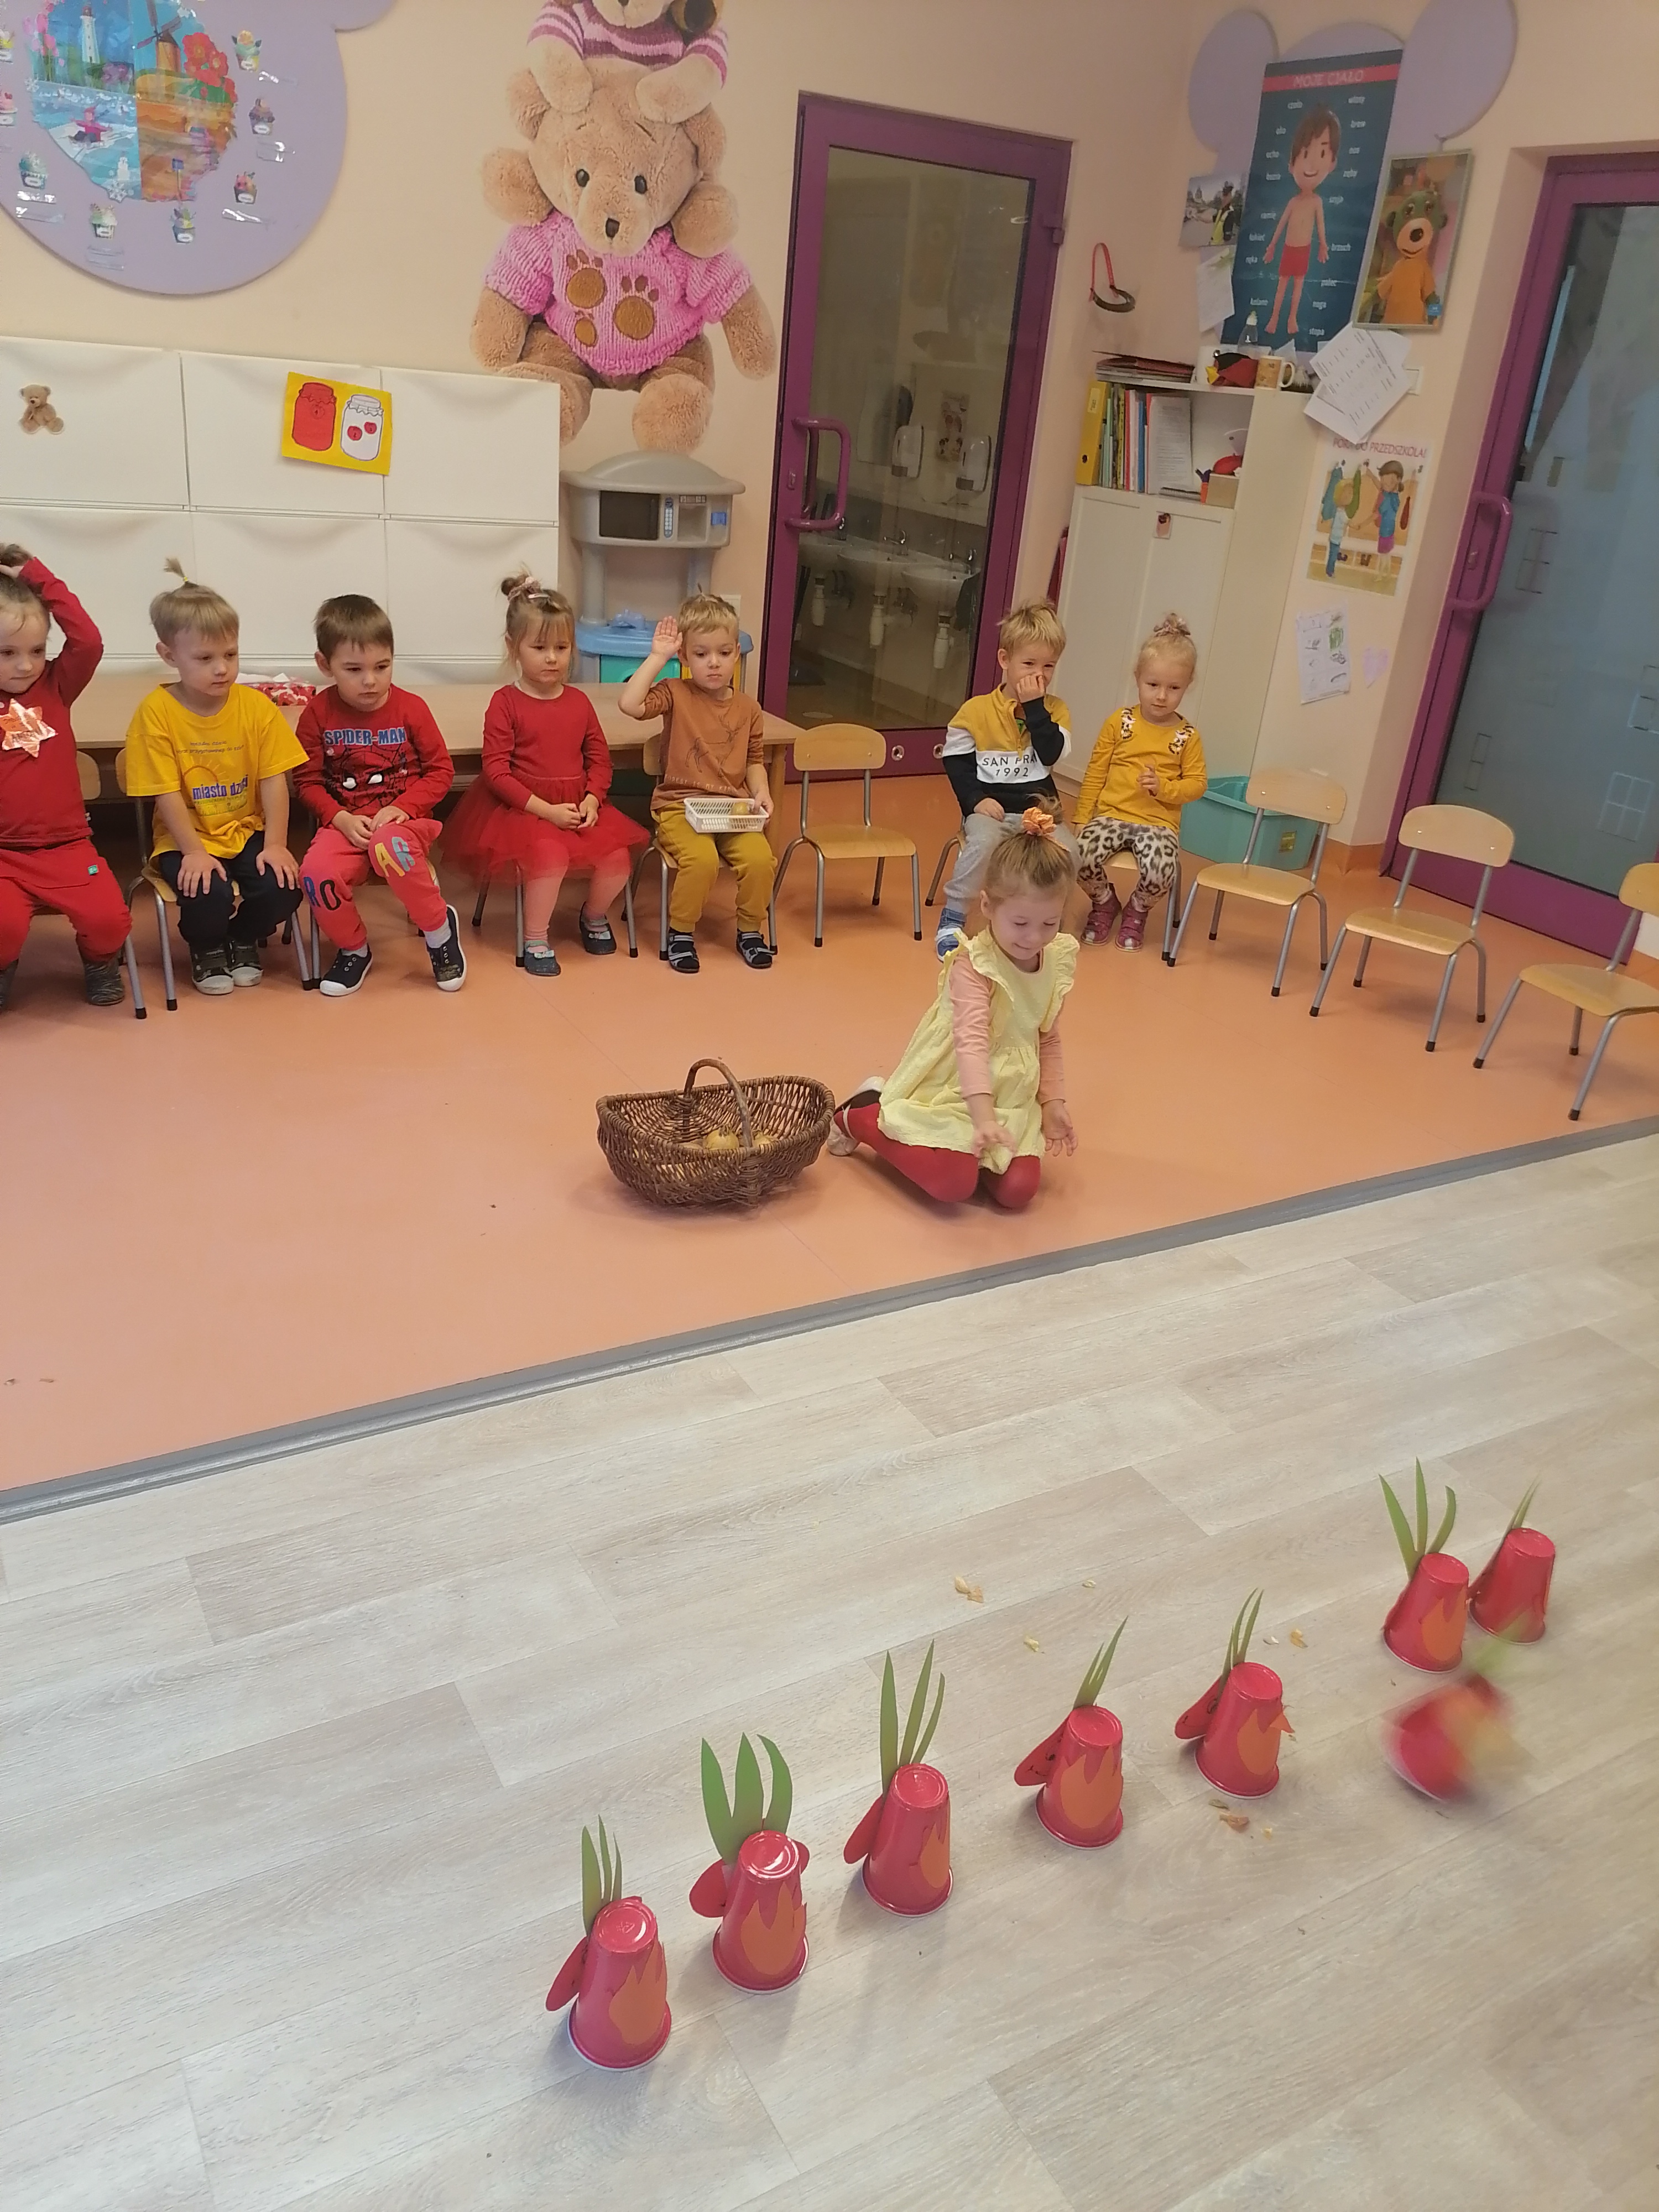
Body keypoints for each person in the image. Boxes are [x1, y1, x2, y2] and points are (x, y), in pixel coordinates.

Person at [828, 811, 1077, 1213]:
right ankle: (860, 1114)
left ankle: (976, 1150)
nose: (1034, 938)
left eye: (1050, 923)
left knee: (1018, 1192)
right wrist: (982, 1117)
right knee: (953, 1184)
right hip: (956, 1085)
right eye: (1020, 923)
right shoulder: (975, 965)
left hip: (1011, 1093)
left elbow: (1047, 1036)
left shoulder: (1055, 959)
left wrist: (1053, 1103)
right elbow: (971, 1044)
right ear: (988, 906)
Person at [441, 576, 646, 975]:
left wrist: (593, 799)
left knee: (617, 859)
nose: (552, 658)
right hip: (523, 809)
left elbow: (600, 760)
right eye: (539, 648)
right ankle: (535, 937)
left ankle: (593, 916)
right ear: (513, 647)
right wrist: (547, 811)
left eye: (562, 648)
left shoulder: (579, 701)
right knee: (550, 858)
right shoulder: (505, 703)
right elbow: (496, 772)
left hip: (578, 804)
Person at [123, 561, 306, 997]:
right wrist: (193, 852)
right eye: (205, 659)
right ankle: (206, 946)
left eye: (231, 655)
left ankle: (241, 936)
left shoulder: (257, 708)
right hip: (185, 838)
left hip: (246, 831)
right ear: (169, 655)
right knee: (207, 893)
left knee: (283, 888)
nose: (222, 669)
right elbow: (166, 792)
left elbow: (274, 780)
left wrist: (276, 843)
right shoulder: (155, 713)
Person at [294, 593, 465, 996]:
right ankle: (354, 949)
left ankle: (439, 932)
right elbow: (307, 782)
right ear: (325, 665)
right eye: (354, 670)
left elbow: (442, 771)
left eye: (382, 667)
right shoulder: (317, 713)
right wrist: (339, 818)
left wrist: (403, 808)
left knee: (389, 846)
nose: (370, 681)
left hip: (404, 823)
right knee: (315, 874)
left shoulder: (412, 708)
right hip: (345, 825)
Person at [0, 545, 132, 1011]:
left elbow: (88, 641)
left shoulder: (56, 685)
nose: (25, 665)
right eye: (7, 653)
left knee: (110, 921)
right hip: (5, 853)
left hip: (67, 847)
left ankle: (99, 962)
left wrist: (37, 577)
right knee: (3, 927)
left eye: (37, 651)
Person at [617, 593, 774, 975]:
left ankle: (750, 931)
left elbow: (754, 760)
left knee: (760, 859)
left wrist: (762, 792)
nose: (714, 663)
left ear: (737, 653)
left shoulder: (749, 709)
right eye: (701, 654)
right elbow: (630, 705)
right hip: (679, 806)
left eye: (724, 653)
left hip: (731, 809)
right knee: (701, 860)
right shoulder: (676, 692)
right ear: (685, 657)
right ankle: (681, 932)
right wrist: (658, 657)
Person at [934, 601, 1078, 959]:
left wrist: (1035, 708)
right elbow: (956, 763)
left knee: (1070, 852)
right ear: (1004, 660)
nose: (1039, 674)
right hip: (990, 808)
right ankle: (953, 917)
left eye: (1049, 666)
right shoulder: (975, 711)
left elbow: (1050, 754)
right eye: (1029, 664)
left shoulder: (1056, 710)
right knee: (983, 843)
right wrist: (975, 801)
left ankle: (1048, 920)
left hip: (1040, 812)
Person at [1072, 613, 1208, 952]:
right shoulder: (1119, 722)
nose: (1162, 696)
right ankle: (1105, 903)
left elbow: (1198, 784)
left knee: (1162, 871)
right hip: (1111, 814)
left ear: (1187, 686)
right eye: (1153, 685)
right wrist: (1082, 816)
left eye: (1174, 688)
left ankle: (1137, 909)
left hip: (1158, 823)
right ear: (1137, 678)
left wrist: (1165, 788)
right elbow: (1096, 772)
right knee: (1077, 856)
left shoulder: (1187, 736)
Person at [1264, 105, 1339, 338]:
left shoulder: (1317, 202)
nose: (1311, 165)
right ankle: (1274, 317)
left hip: (1303, 250)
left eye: (1322, 154)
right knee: (1281, 286)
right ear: (1291, 164)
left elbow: (1320, 226)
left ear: (1332, 163)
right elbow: (1281, 224)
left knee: (1298, 287)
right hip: (1289, 248)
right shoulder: (1293, 202)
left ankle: (1292, 319)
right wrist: (1272, 246)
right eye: (1305, 154)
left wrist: (1323, 245)